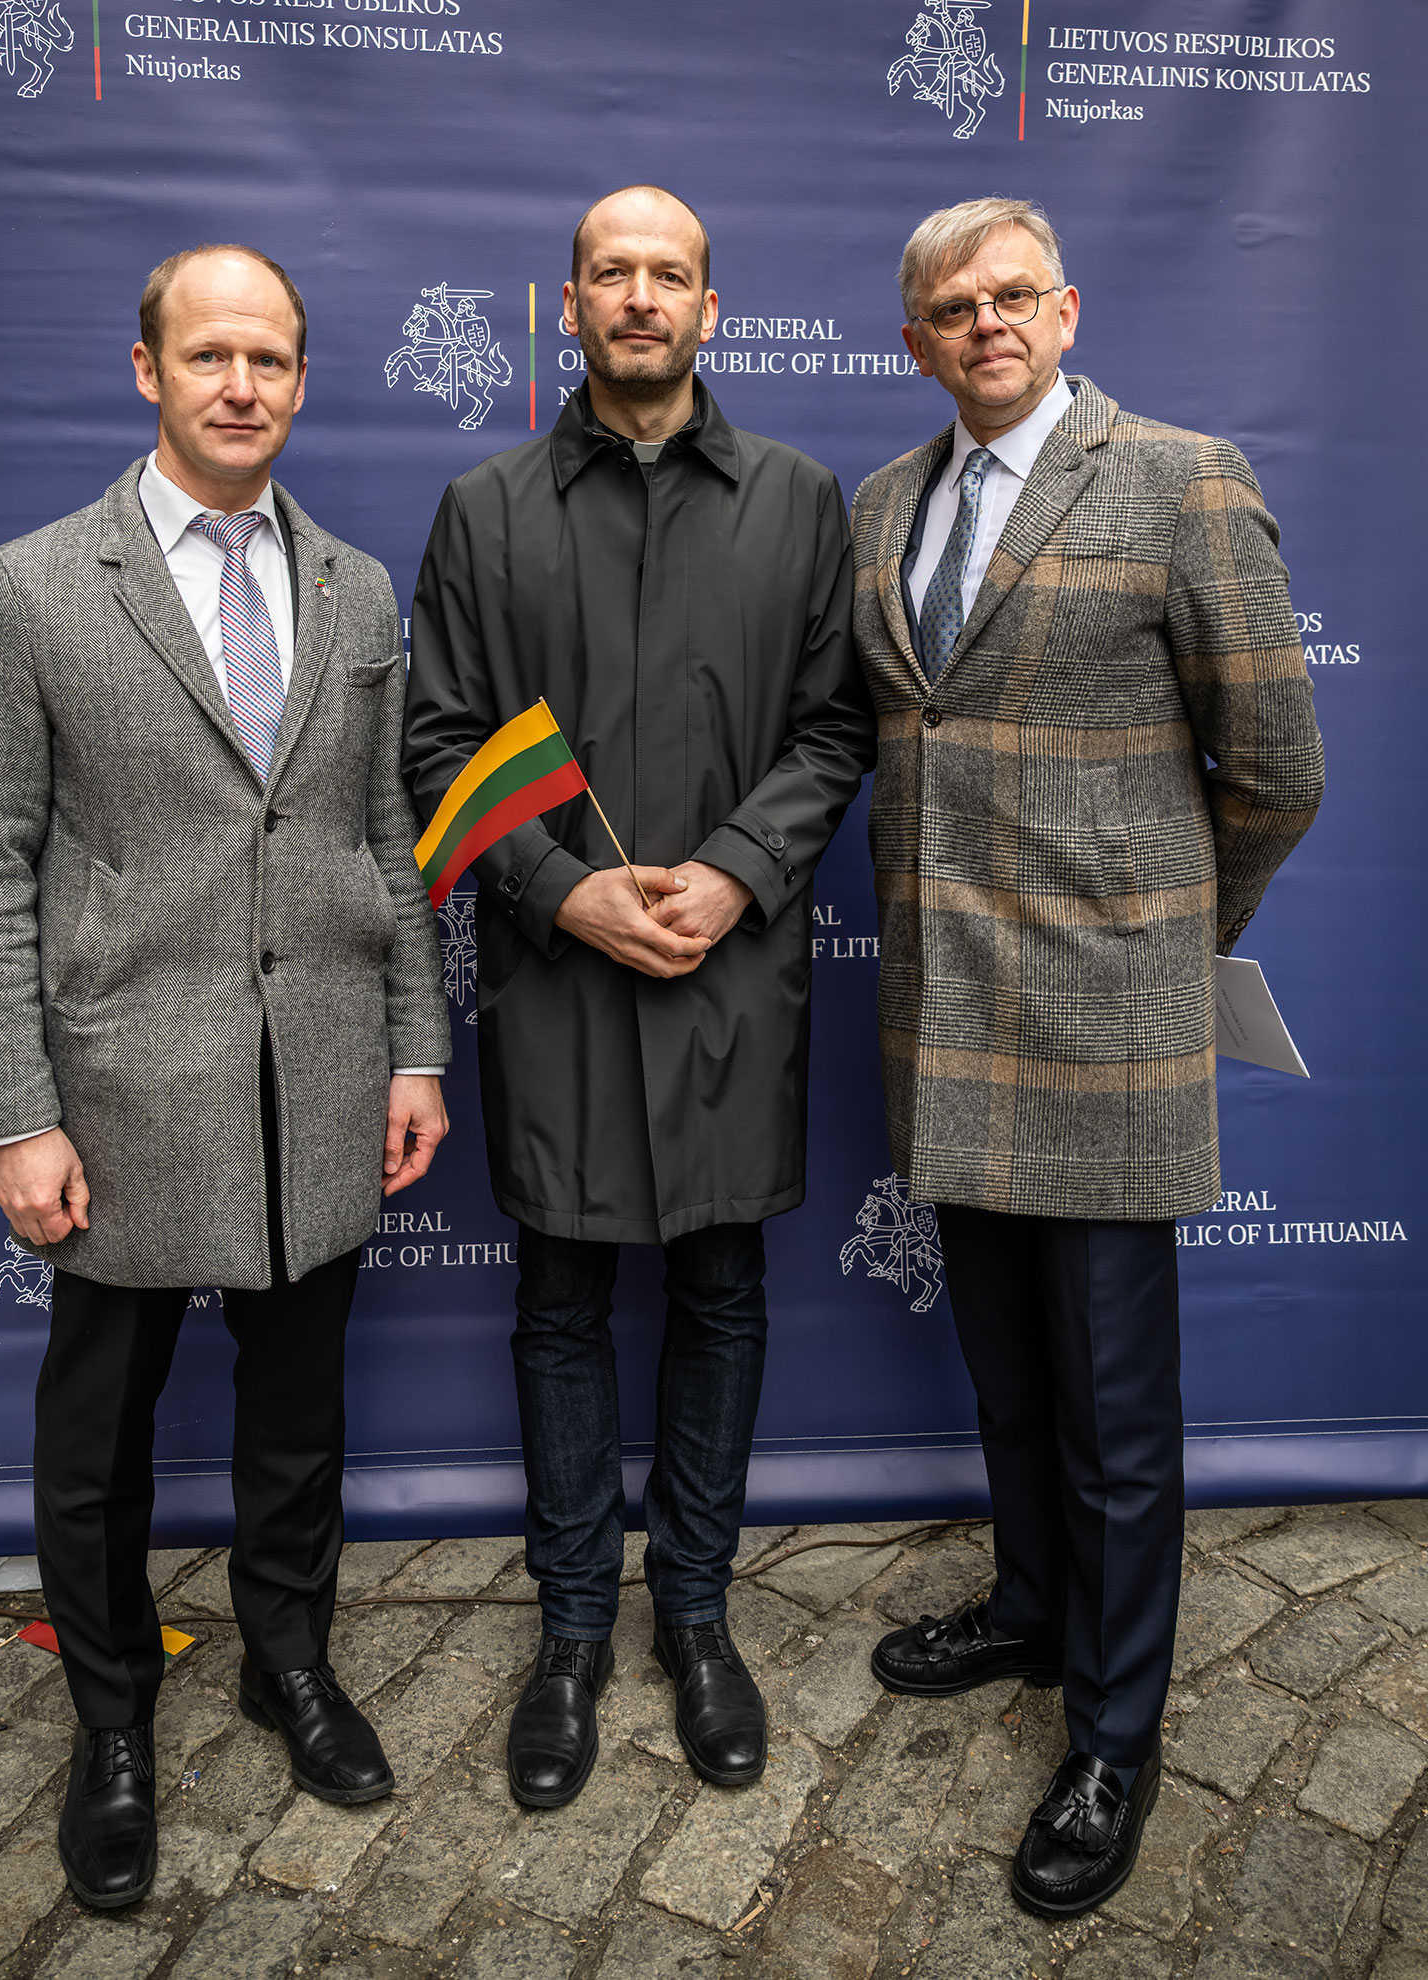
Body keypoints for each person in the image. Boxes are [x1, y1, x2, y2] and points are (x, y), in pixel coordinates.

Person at [0, 245, 450, 1909]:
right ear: (146, 368)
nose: (245, 385)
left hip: (318, 1076)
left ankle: (285, 1661)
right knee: (99, 1442)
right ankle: (113, 1724)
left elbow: (387, 833)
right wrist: (20, 1110)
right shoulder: (34, 586)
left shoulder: (360, 590)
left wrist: (414, 1050)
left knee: (297, 1422)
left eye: (275, 360)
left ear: (304, 381)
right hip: (120, 1092)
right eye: (212, 354)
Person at [851, 198, 1324, 1916]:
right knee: (1006, 1374)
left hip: (1108, 1023)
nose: (985, 323)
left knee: (1120, 1412)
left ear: (1065, 308)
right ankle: (1035, 1610)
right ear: (914, 342)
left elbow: (1276, 762)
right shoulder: (884, 507)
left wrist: (1160, 932)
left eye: (1011, 296)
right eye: (949, 308)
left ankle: (1113, 1733)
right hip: (948, 1021)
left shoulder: (1182, 477)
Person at [403, 185, 874, 1809]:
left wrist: (740, 867)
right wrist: (561, 888)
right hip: (560, 981)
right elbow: (441, 742)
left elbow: (835, 732)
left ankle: (696, 1615)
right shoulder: (486, 505)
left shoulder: (802, 502)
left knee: (724, 1299)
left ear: (710, 309)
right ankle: (574, 1635)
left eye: (669, 274)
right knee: (558, 1310)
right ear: (569, 304)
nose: (640, 297)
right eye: (613, 272)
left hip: (732, 975)